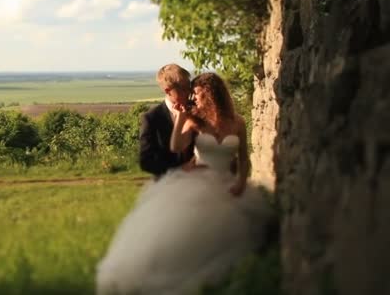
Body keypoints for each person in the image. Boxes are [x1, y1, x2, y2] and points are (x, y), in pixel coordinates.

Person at [96, 72, 271, 295]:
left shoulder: (238, 122)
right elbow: (176, 146)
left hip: (228, 183)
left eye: (196, 93)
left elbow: (244, 158)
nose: (193, 98)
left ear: (210, 94)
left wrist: (241, 183)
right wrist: (180, 118)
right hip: (199, 181)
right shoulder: (194, 120)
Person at [139, 63, 195, 180]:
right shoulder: (151, 118)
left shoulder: (197, 111)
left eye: (189, 87)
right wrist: (178, 170)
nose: (189, 93)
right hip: (167, 184)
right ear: (168, 91)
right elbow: (146, 161)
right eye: (183, 89)